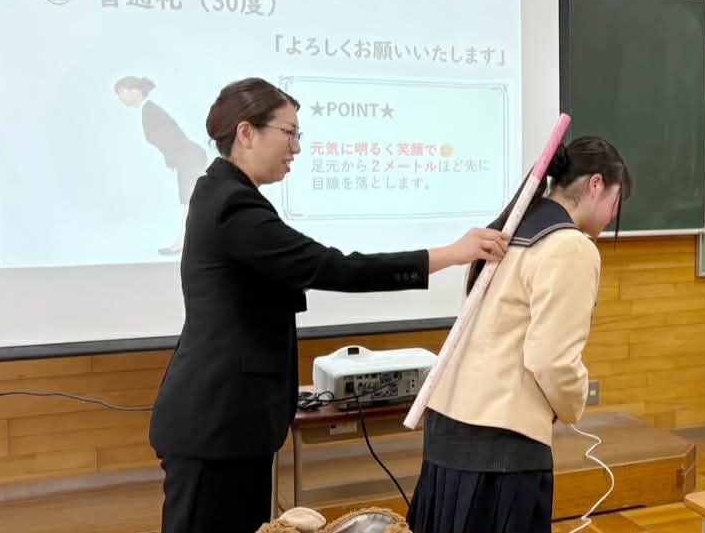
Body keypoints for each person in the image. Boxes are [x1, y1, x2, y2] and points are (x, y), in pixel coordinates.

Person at [148, 77, 509, 533]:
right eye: (289, 132)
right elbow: (334, 268)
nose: (296, 147)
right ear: (246, 133)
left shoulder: (226, 196)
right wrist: (450, 254)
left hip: (231, 423)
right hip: (214, 424)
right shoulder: (231, 205)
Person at [407, 136, 633, 533]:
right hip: (502, 443)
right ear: (596, 184)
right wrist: (573, 404)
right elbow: (551, 360)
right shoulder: (571, 247)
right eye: (617, 201)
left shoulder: (510, 230)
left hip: (448, 430)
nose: (614, 214)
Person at [114, 76, 208, 255]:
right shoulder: (148, 110)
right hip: (187, 157)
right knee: (192, 200)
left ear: (135, 91)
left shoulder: (151, 111)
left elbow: (170, 138)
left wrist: (171, 159)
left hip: (189, 157)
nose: (120, 98)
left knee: (189, 200)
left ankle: (184, 243)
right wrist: (170, 159)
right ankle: (185, 242)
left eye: (122, 93)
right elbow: (167, 138)